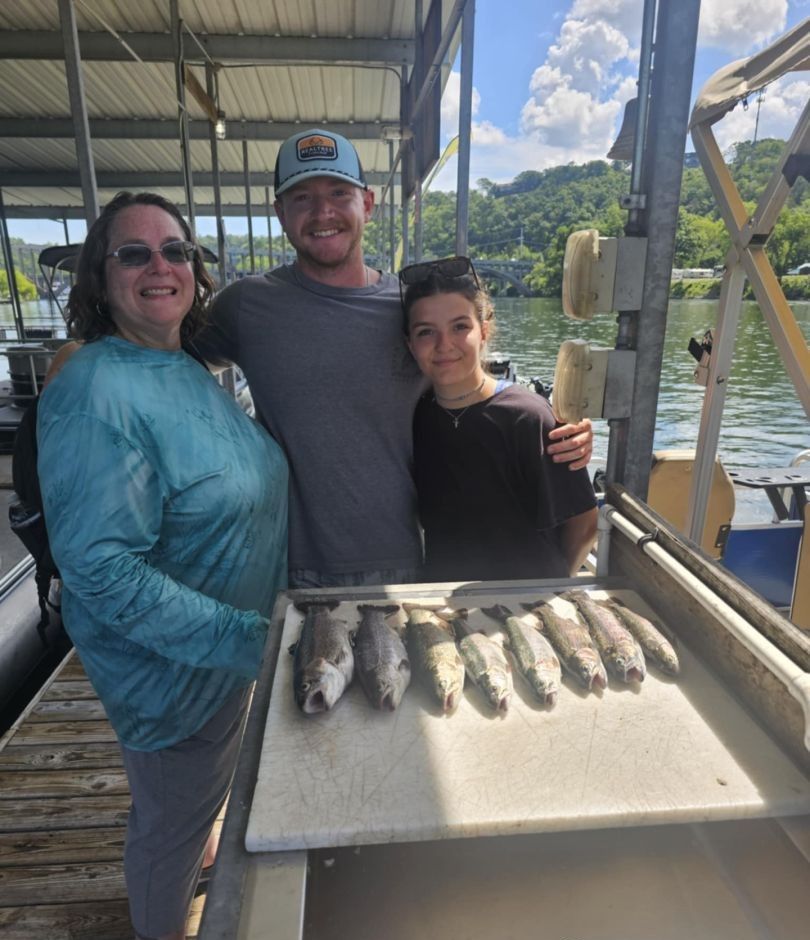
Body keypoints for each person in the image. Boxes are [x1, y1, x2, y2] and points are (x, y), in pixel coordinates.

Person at [36, 192, 288, 940]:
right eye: (134, 252)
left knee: (187, 808)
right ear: (100, 275)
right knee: (167, 833)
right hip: (173, 675)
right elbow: (103, 571)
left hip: (224, 660)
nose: (160, 266)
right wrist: (254, 640)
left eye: (176, 250)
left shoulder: (181, 366)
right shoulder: (93, 389)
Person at [195, 127, 594, 588]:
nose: (323, 211)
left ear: (366, 203)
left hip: (411, 565)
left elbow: (468, 390)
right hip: (284, 569)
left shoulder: (407, 309)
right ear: (280, 213)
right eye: (302, 197)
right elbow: (171, 375)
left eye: (338, 193)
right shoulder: (245, 306)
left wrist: (556, 431)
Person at [401, 256, 598, 582]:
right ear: (410, 344)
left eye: (460, 326)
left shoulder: (528, 417)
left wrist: (548, 588)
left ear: (485, 330)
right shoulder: (417, 417)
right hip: (443, 603)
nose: (444, 345)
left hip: (526, 603)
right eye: (426, 332)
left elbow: (584, 522)